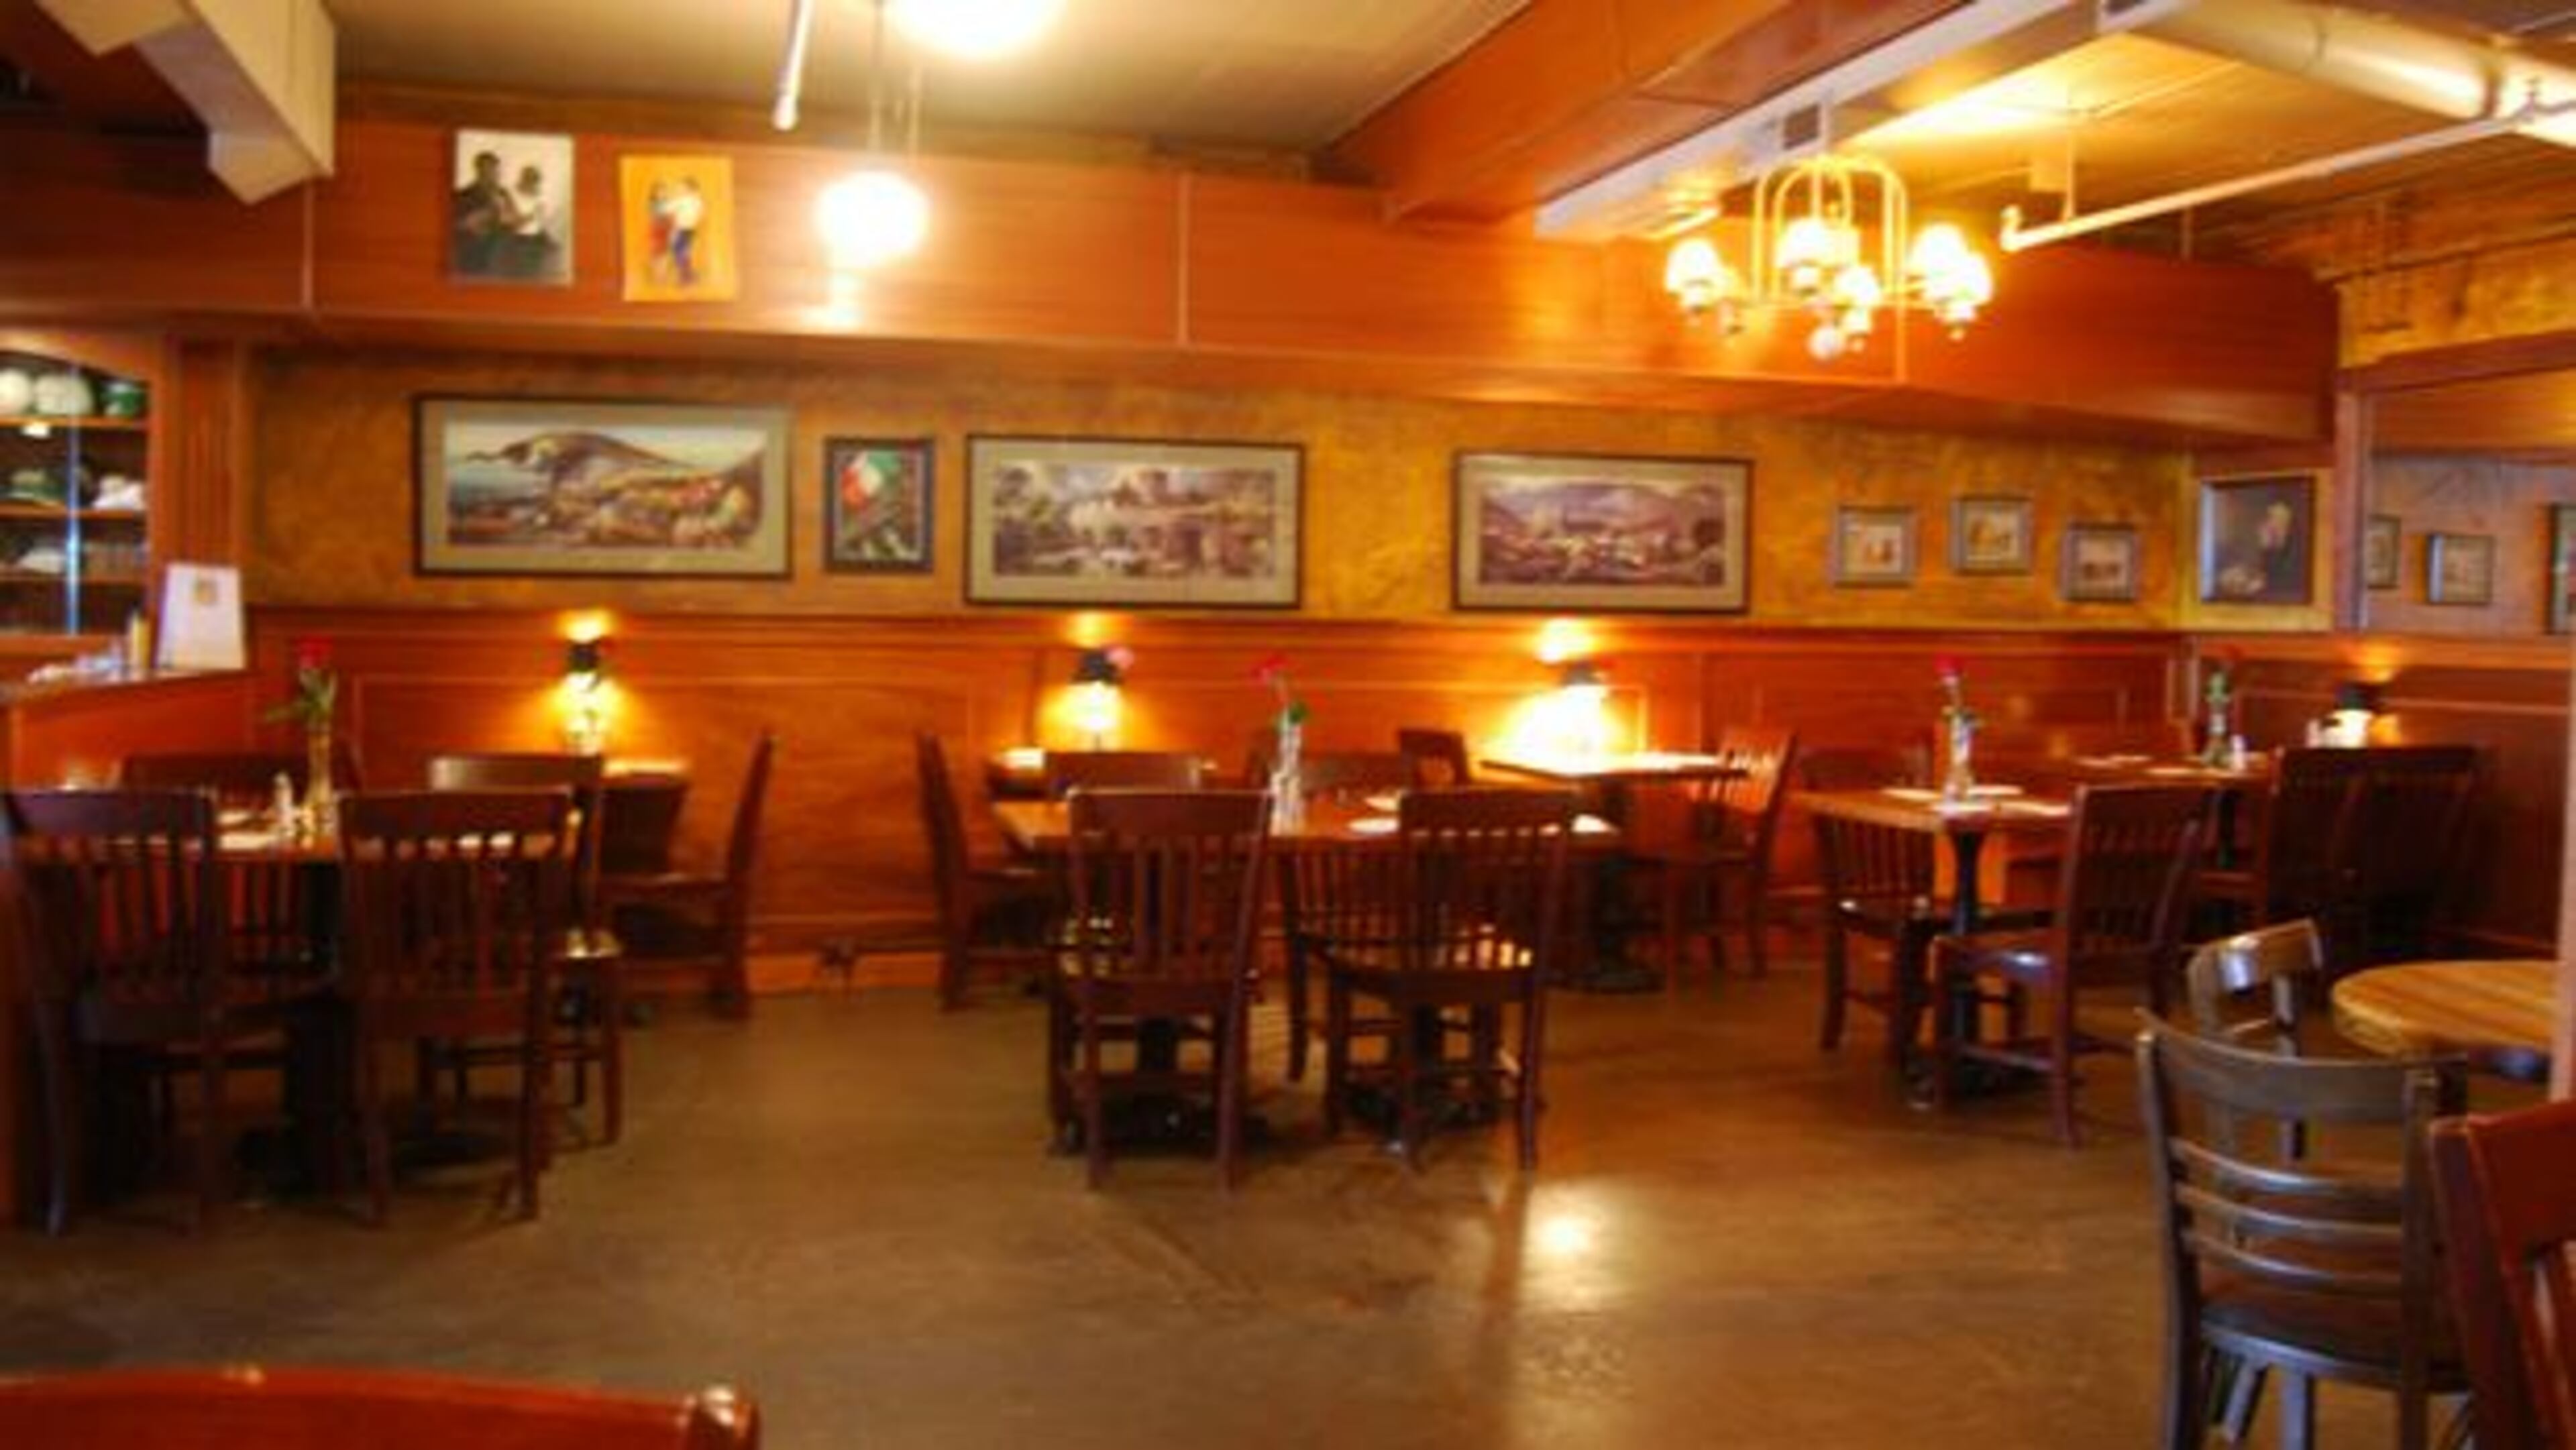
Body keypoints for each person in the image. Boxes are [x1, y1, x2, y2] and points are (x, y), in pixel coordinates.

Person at [451, 149, 512, 276]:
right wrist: (476, 219)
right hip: (473, 258)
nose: (494, 174)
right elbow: (458, 226)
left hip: (501, 258)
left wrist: (506, 215)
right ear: (479, 171)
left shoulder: (503, 194)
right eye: (489, 170)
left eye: (496, 170)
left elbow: (511, 221)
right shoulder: (463, 196)